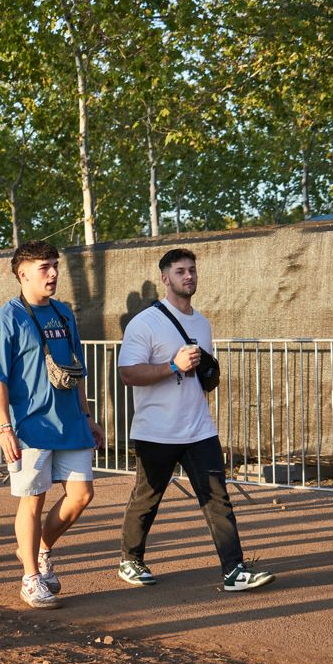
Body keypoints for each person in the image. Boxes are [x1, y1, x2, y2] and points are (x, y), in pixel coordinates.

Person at [117, 248, 275, 592]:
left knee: (217, 498)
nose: (188, 276)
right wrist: (172, 366)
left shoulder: (202, 323)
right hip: (156, 430)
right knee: (148, 497)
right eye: (179, 271)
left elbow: (205, 376)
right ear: (165, 278)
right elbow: (128, 373)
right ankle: (131, 559)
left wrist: (208, 371)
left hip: (199, 428)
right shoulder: (144, 323)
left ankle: (234, 570)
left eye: (192, 271)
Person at [0, 240, 105, 610]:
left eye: (55, 266)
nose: (53, 274)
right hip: (30, 426)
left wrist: (88, 415)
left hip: (70, 421)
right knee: (32, 501)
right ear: (23, 274)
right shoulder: (7, 318)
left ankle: (39, 550)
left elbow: (75, 370)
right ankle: (30, 579)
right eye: (44, 268)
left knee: (82, 495)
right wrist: (4, 428)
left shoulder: (64, 314)